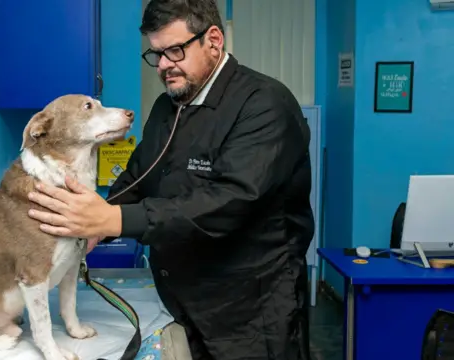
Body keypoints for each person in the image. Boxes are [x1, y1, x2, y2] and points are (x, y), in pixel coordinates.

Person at [25, 0, 314, 359]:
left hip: (250, 314)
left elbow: (230, 202)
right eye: (156, 54)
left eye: (174, 51)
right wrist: (97, 221)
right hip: (182, 302)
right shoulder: (169, 106)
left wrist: (114, 220)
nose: (163, 65)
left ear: (213, 40)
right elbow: (139, 176)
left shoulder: (265, 104)